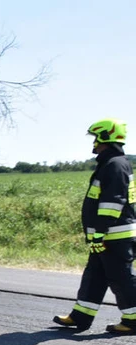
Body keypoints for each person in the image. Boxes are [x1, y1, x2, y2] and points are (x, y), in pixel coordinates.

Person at [53, 119, 136, 334]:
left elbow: (112, 203)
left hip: (113, 236)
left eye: (96, 139)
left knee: (120, 277)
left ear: (105, 137)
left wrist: (100, 233)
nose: (95, 144)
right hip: (107, 236)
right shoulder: (111, 163)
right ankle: (81, 316)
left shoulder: (115, 164)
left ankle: (133, 319)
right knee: (95, 275)